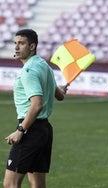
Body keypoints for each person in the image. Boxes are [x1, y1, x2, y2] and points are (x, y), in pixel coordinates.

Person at [3, 29, 69, 188]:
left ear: (32, 46)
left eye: (22, 43)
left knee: (10, 184)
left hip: (30, 130)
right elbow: (59, 95)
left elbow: (37, 104)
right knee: (38, 185)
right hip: (44, 130)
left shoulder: (28, 70)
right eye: (15, 43)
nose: (16, 47)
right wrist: (61, 88)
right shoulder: (43, 65)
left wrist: (20, 130)